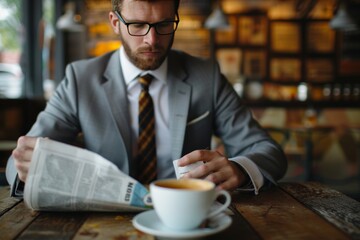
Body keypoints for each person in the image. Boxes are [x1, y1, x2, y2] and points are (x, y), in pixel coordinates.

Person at [6, 0, 287, 197]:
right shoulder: (80, 79)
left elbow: (267, 151)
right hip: (101, 222)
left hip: (186, 217)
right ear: (115, 22)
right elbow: (19, 161)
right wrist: (25, 166)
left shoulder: (207, 76)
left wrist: (238, 169)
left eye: (164, 24)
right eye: (138, 25)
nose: (152, 40)